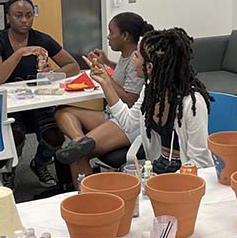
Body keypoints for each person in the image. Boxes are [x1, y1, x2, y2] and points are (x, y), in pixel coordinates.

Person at [61, 27, 214, 180]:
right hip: (156, 170)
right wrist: (106, 83)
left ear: (149, 67)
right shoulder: (151, 89)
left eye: (138, 56)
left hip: (185, 178)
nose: (134, 58)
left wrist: (165, 183)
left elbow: (200, 162)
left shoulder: (191, 104)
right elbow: (128, 123)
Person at [0, 0, 79, 187]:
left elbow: (73, 65)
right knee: (15, 137)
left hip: (38, 101)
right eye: (18, 16)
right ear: (8, 18)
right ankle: (9, 171)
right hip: (10, 105)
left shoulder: (41, 39)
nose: (25, 20)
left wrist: (53, 74)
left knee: (54, 136)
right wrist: (19, 53)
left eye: (29, 15)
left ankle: (40, 163)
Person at [53, 12, 152, 173]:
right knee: (63, 112)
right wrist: (107, 63)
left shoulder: (137, 60)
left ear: (125, 36)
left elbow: (130, 100)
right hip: (113, 116)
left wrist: (106, 78)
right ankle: (80, 141)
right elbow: (123, 77)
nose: (108, 37)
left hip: (127, 121)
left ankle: (88, 193)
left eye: (112, 32)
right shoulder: (128, 56)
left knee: (78, 156)